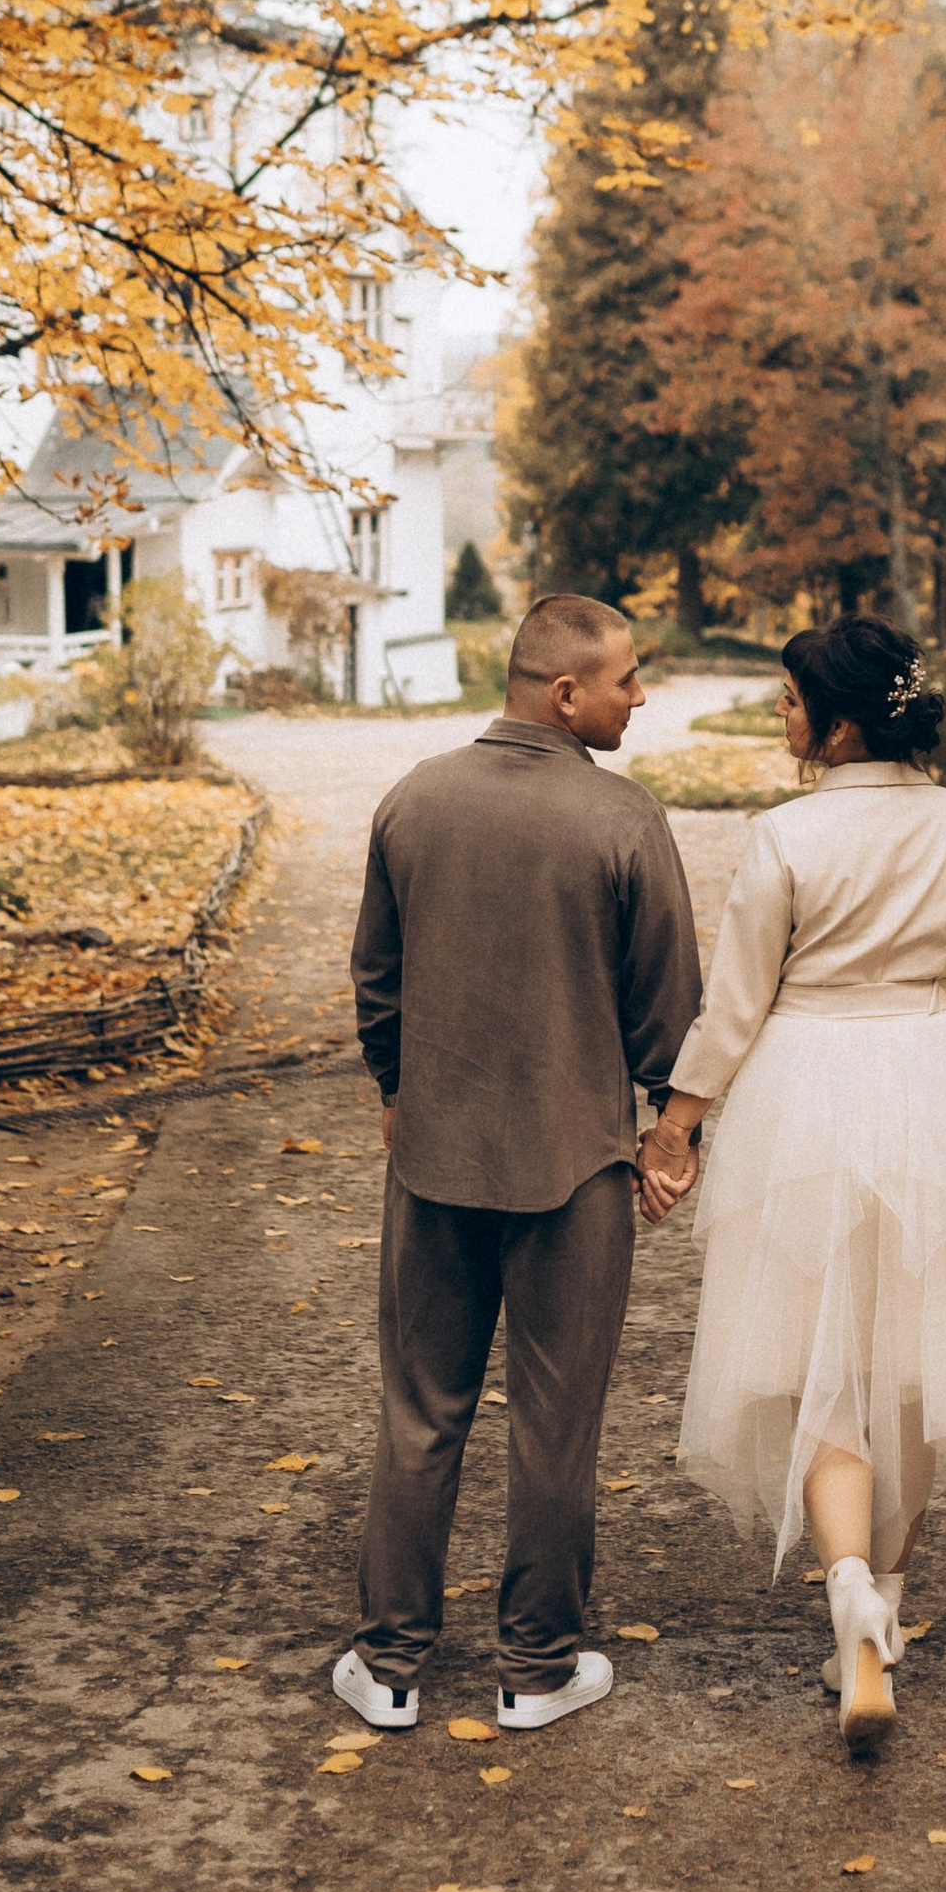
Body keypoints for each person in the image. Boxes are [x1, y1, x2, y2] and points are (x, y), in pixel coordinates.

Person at [639, 616, 946, 1753]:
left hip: (805, 1095)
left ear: (836, 722)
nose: (781, 718)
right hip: (935, 1085)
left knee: (815, 1357)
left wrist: (678, 1126)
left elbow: (735, 1002)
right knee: (916, 1358)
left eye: (788, 702)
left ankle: (842, 1588)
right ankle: (880, 1601)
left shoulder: (783, 837)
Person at [335, 593, 701, 1735]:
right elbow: (670, 1009)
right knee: (555, 1422)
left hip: (435, 1159)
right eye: (626, 678)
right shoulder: (622, 819)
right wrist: (668, 1137)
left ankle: (389, 1663)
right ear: (563, 693)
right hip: (576, 1170)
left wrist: (398, 1092)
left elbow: (375, 979)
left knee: (418, 1410)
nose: (639, 696)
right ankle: (536, 1669)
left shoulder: (411, 801)